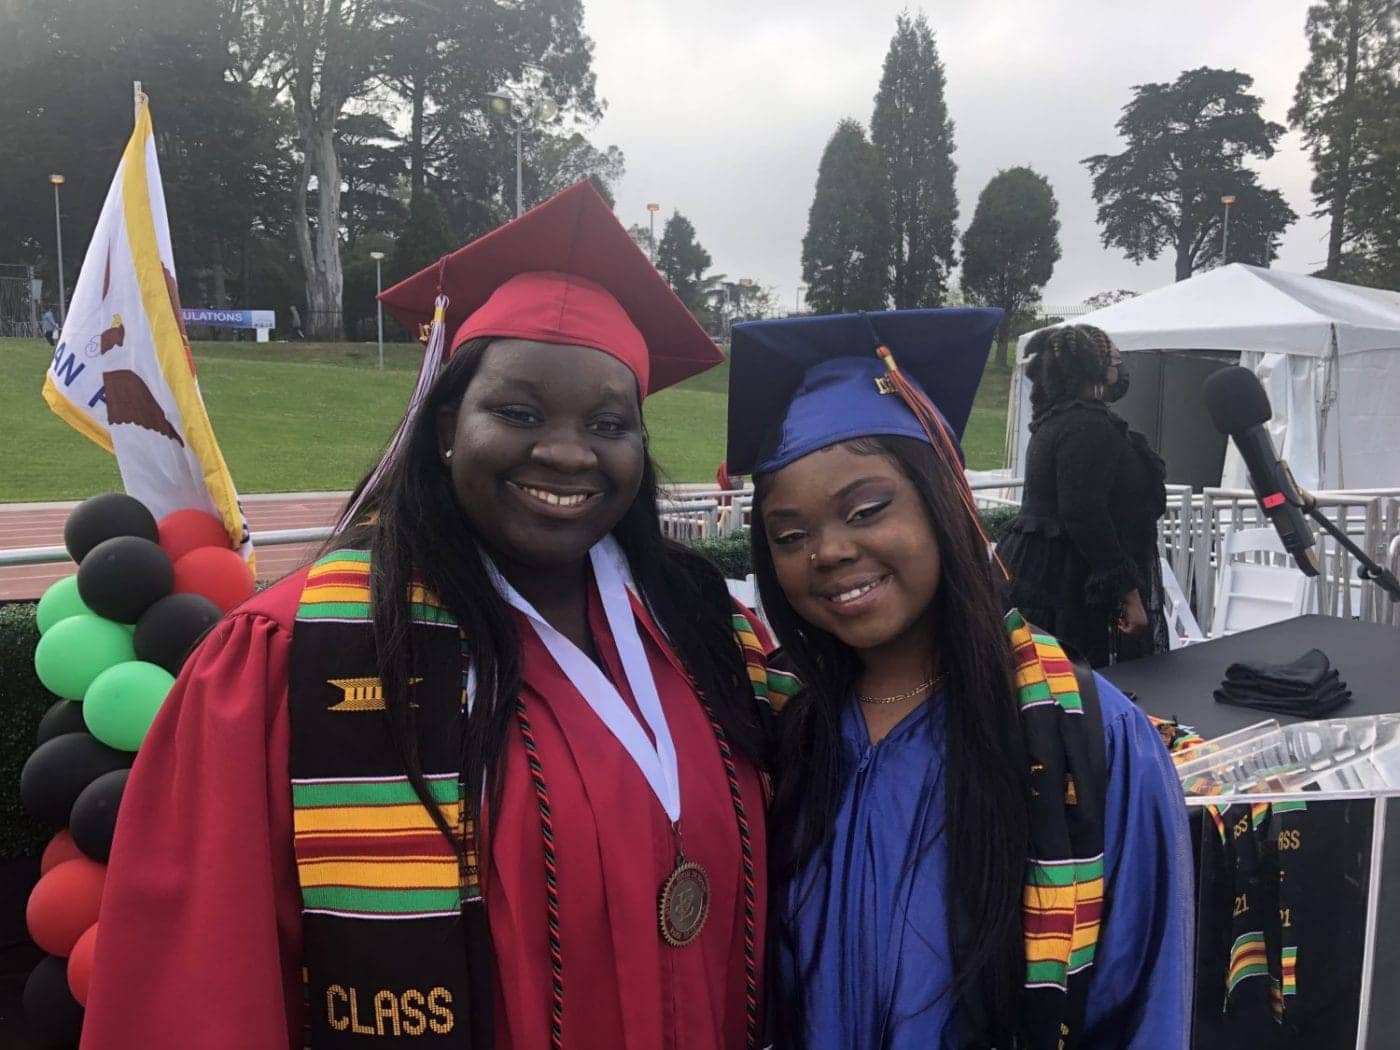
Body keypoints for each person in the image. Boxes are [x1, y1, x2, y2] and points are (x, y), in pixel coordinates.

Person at [83, 182, 792, 1050]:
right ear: (447, 421)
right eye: (519, 412)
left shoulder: (706, 632)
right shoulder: (293, 658)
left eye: (609, 421)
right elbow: (201, 985)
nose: (569, 451)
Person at [725, 309, 1192, 1049]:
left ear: (945, 503)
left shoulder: (1086, 737)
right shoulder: (782, 734)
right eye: (790, 535)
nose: (830, 551)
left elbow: (1142, 1009)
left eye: (867, 508)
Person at [997, 324, 1169, 667]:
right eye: (1115, 360)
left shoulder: (1058, 421)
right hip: (1068, 581)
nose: (1120, 370)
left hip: (1046, 569)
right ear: (1096, 369)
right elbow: (1084, 513)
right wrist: (1128, 593)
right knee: (1077, 681)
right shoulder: (1086, 425)